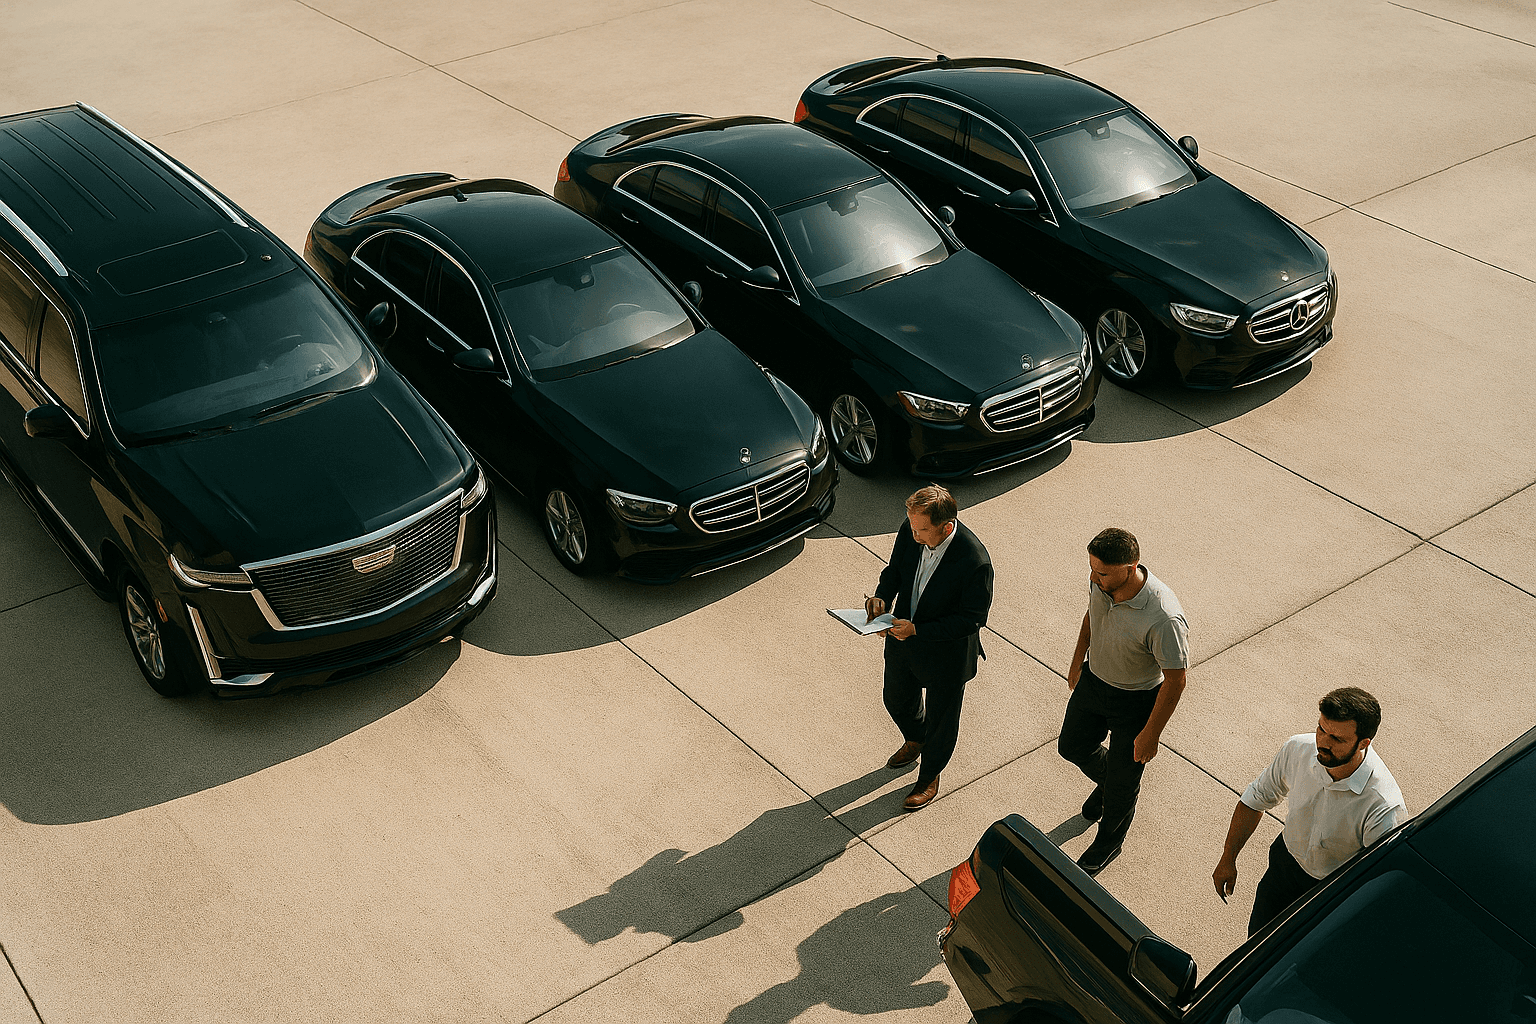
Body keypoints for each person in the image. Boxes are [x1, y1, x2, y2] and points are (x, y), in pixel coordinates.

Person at [1213, 687, 1406, 936]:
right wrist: (1228, 857)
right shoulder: (1298, 749)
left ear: (1364, 743)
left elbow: (1376, 881)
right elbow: (1256, 799)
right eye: (1321, 729)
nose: (1323, 743)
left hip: (1329, 893)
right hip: (1284, 867)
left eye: (1337, 739)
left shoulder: (1383, 806)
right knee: (1255, 946)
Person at [1058, 528, 1188, 875]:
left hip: (1137, 700)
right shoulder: (1102, 585)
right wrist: (1076, 662)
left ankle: (1109, 842)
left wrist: (1151, 734)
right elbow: (1091, 616)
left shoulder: (1163, 616)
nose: (1092, 577)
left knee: (1123, 782)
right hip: (1094, 681)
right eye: (1091, 568)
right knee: (1071, 746)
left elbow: (1176, 680)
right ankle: (1110, 781)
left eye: (1101, 572)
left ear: (1131, 567)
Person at [864, 485, 993, 811]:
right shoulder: (912, 531)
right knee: (894, 697)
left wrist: (918, 629)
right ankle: (916, 737)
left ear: (946, 527)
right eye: (911, 525)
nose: (913, 533)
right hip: (902, 640)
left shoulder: (974, 561)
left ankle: (929, 775)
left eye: (921, 529)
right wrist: (882, 598)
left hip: (946, 655)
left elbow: (971, 620)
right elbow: (893, 572)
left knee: (942, 721)